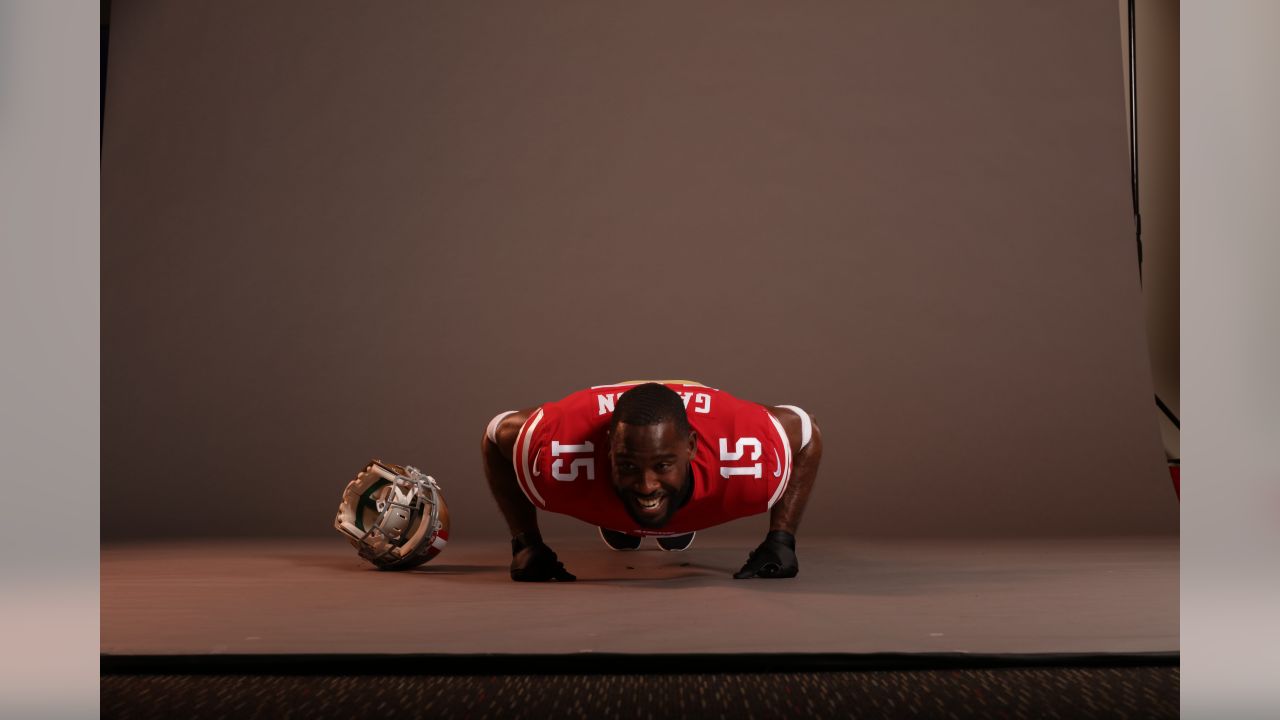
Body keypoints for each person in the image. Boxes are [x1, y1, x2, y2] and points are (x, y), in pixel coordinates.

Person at [481, 380, 822, 582]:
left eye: (662, 464)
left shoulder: (744, 457)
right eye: (627, 464)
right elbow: (497, 434)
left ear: (691, 448)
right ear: (607, 448)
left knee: (646, 492)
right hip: (600, 445)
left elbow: (807, 431)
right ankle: (628, 515)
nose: (646, 484)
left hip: (699, 406)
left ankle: (639, 508)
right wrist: (525, 543)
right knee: (647, 492)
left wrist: (782, 540)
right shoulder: (557, 452)